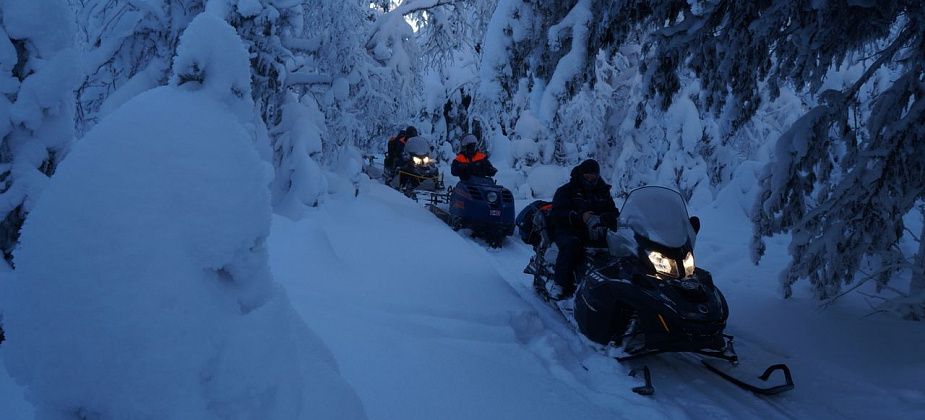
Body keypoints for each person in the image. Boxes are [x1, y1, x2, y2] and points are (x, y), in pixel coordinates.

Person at [547, 159, 619, 299]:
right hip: (569, 229)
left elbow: (614, 212)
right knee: (572, 245)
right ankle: (559, 284)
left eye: (593, 178)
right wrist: (579, 217)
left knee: (617, 249)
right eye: (587, 177)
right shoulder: (567, 190)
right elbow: (556, 213)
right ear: (581, 175)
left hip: (595, 230)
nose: (590, 181)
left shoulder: (603, 192)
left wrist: (607, 218)